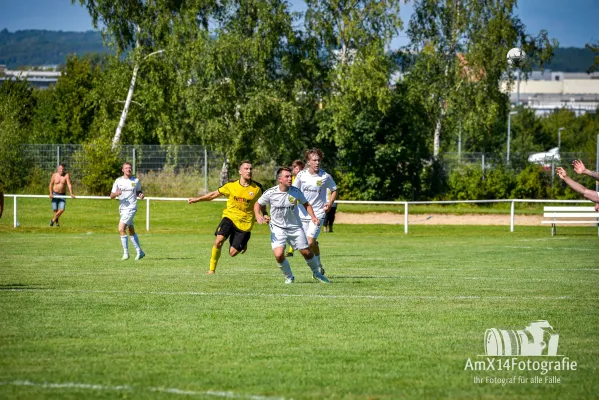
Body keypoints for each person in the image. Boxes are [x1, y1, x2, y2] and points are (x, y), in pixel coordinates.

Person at [254, 167, 329, 284]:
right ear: (280, 179)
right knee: (279, 255)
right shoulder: (271, 192)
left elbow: (306, 204)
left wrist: (313, 217)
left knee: (306, 252)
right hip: (277, 227)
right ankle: (289, 277)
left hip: (295, 226)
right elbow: (258, 204)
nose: (290, 178)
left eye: (290, 176)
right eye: (287, 176)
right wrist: (258, 215)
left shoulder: (295, 191)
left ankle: (317, 273)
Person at [188, 160, 263, 274]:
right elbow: (213, 194)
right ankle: (211, 270)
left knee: (232, 253)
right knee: (219, 240)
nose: (249, 171)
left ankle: (243, 239)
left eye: (250, 169)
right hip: (229, 217)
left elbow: (262, 202)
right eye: (246, 169)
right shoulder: (231, 185)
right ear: (240, 171)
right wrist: (197, 199)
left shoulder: (257, 188)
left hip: (245, 224)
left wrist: (264, 214)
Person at [293, 148, 337, 277]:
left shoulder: (325, 176)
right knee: (305, 244)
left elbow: (334, 189)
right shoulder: (301, 175)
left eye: (319, 160)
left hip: (318, 213)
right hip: (302, 214)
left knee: (310, 241)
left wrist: (329, 203)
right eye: (314, 160)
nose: (317, 163)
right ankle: (319, 265)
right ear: (308, 162)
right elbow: (294, 191)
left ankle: (317, 268)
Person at [110, 162, 145, 261]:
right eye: (126, 168)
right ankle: (140, 251)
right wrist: (116, 193)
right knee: (130, 230)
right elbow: (111, 196)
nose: (128, 169)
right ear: (123, 170)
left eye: (130, 168)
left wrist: (140, 195)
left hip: (132, 208)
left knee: (121, 229)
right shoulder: (118, 181)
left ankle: (126, 253)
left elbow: (138, 191)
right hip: (122, 208)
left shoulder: (136, 180)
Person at [285, 159, 305, 257]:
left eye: (300, 169)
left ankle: (291, 250)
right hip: (291, 208)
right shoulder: (289, 179)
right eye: (296, 169)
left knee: (298, 228)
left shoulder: (305, 179)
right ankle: (291, 249)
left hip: (302, 208)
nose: (298, 171)